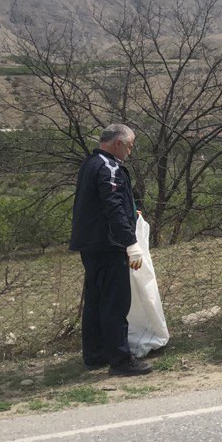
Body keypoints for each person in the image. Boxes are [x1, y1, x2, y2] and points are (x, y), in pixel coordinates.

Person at [69, 123, 151, 375]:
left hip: (90, 243)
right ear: (117, 143)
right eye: (129, 146)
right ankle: (120, 359)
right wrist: (130, 242)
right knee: (116, 302)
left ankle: (95, 354)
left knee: (96, 299)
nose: (130, 151)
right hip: (109, 244)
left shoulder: (91, 163)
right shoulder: (110, 167)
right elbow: (112, 206)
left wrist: (131, 211)